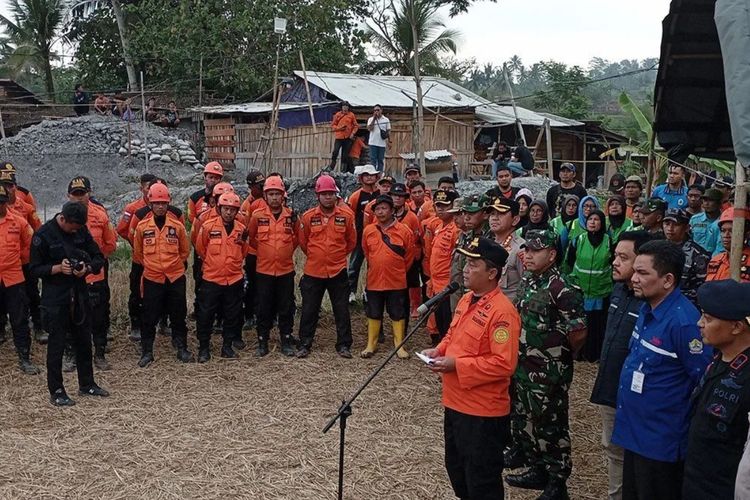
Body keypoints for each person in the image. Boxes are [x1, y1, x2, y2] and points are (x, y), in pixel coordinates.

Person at [420, 236, 521, 500]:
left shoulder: (503, 313)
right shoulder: (466, 300)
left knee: (481, 479)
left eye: (473, 264)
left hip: (482, 411)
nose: (465, 269)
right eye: (465, 262)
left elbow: (504, 364)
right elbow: (454, 335)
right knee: (457, 470)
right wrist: (439, 351)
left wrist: (457, 364)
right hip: (455, 403)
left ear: (492, 273)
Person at [611, 240, 712, 500]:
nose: (633, 278)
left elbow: (703, 381)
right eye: (635, 271)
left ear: (668, 280)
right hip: (635, 434)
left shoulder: (684, 323)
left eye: (643, 273)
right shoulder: (647, 309)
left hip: (660, 444)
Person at [506, 229, 587, 499]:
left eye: (534, 250)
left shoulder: (563, 287)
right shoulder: (530, 281)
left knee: (550, 425)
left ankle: (557, 481)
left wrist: (558, 357)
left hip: (549, 371)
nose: (527, 255)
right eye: (526, 249)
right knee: (524, 419)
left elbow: (578, 332)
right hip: (523, 365)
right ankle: (536, 467)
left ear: (551, 255)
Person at [590, 230, 653, 500]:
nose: (615, 262)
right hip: (611, 387)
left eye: (623, 257)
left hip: (635, 396)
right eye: (615, 255)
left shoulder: (650, 304)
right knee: (613, 450)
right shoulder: (618, 290)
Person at [29, 201, 109, 406]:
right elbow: (33, 270)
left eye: (78, 228)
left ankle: (87, 383)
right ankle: (56, 390)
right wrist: (57, 268)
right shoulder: (43, 235)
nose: (75, 231)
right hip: (55, 297)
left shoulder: (81, 231)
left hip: (80, 293)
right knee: (57, 345)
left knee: (84, 340)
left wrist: (87, 268)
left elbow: (99, 257)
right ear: (62, 218)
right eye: (72, 227)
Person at [680, 280, 750, 500]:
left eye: (708, 319)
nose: (699, 323)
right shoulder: (718, 359)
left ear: (737, 327)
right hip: (695, 481)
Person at [296, 175, 356, 358]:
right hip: (314, 271)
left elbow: (351, 242)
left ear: (336, 195)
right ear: (317, 196)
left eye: (330, 193)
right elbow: (303, 242)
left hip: (337, 270)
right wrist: (318, 257)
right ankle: (305, 344)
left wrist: (335, 256)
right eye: (324, 194)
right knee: (309, 310)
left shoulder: (346, 216)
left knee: (342, 309)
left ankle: (344, 345)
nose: (327, 197)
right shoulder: (307, 217)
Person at [133, 183, 192, 367]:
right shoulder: (142, 227)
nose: (160, 206)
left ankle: (181, 347)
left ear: (169, 204)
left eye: (163, 203)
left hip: (175, 277)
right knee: (148, 316)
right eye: (157, 203)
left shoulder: (177, 226)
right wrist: (154, 267)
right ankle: (147, 352)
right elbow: (138, 254)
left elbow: (184, 251)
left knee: (178, 313)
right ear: (150, 203)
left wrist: (171, 266)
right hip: (152, 278)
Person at [67, 176, 117, 370]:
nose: (79, 198)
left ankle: (100, 353)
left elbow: (110, 244)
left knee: (99, 316)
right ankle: (71, 354)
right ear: (69, 195)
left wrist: (94, 262)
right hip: (70, 277)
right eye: (75, 194)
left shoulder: (100, 215)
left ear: (90, 193)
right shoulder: (62, 218)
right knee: (70, 316)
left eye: (83, 193)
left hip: (95, 276)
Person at [246, 176, 299, 357]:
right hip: (264, 270)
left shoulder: (291, 216)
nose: (275, 197)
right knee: (263, 307)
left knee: (285, 306)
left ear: (283, 195)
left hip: (285, 270)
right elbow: (251, 238)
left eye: (278, 194)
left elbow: (298, 237)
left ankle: (285, 340)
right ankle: (263, 341)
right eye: (271, 194)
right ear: (265, 196)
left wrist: (285, 250)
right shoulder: (257, 216)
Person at [195, 192, 248, 362]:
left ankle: (227, 347)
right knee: (206, 315)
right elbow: (201, 249)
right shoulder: (208, 226)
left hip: (233, 279)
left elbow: (244, 251)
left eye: (233, 210)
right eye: (226, 209)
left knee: (232, 314)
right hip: (212, 279)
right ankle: (204, 348)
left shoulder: (241, 230)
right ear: (219, 208)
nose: (229, 213)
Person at [360, 195, 414, 359]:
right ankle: (371, 344)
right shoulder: (368, 230)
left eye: (384, 208)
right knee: (373, 312)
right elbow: (367, 253)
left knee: (397, 313)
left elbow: (409, 256)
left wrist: (396, 270)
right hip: (374, 280)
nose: (381, 212)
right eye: (377, 209)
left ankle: (399, 346)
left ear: (392, 211)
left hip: (396, 281)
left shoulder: (404, 231)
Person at [0, 184, 39, 374]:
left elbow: (28, 247)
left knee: (19, 319)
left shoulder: (19, 222)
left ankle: (24, 357)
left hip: (14, 277)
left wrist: (17, 263)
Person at [567, 210, 613, 362]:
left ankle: (593, 355)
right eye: (590, 219)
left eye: (597, 219)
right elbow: (570, 261)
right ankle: (577, 354)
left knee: (596, 325)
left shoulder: (608, 241)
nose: (593, 222)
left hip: (600, 291)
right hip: (580, 290)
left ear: (602, 223)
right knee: (580, 325)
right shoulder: (579, 239)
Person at [116, 173, 157, 341]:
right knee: (136, 292)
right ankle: (136, 325)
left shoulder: (162, 206)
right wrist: (136, 243)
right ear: (142, 188)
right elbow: (121, 229)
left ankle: (161, 322)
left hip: (157, 260)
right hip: (139, 259)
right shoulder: (133, 208)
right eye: (148, 188)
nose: (151, 191)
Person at [426, 189, 460, 344]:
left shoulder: (455, 229)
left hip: (448, 285)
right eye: (438, 205)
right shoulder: (438, 226)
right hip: (436, 284)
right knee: (439, 321)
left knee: (447, 323)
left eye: (445, 205)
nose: (440, 208)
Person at [238, 169, 267, 330]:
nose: (262, 189)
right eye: (259, 186)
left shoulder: (268, 200)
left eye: (263, 185)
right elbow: (247, 230)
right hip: (252, 252)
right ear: (251, 187)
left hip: (266, 252)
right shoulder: (247, 205)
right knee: (251, 285)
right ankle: (249, 315)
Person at [346, 164, 380, 303]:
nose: (369, 177)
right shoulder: (355, 196)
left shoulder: (381, 194)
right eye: (366, 175)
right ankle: (351, 292)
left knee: (373, 266)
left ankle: (369, 291)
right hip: (360, 236)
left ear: (376, 176)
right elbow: (349, 216)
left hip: (378, 237)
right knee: (354, 265)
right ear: (361, 178)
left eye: (372, 175)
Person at [662, 208, 709, 306]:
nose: (670, 228)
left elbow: (703, 286)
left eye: (676, 224)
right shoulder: (658, 248)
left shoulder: (698, 254)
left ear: (687, 227)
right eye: (667, 224)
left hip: (685, 304)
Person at [389, 183, 422, 318]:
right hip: (390, 254)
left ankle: (414, 305)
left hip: (408, 254)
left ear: (405, 198)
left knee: (413, 280)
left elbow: (417, 236)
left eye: (400, 196)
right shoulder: (384, 214)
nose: (397, 198)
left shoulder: (412, 217)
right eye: (395, 196)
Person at [486, 196, 524, 302]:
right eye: (492, 214)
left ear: (515, 220)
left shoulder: (520, 249)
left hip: (508, 310)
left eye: (501, 214)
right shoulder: (488, 244)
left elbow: (527, 286)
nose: (494, 218)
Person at [706, 207, 750, 282]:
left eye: (732, 231)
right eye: (723, 231)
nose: (726, 235)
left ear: (746, 233)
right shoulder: (715, 261)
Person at [689, 188, 722, 254]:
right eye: (705, 200)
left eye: (711, 200)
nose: (706, 203)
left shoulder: (723, 222)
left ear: (719, 203)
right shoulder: (695, 219)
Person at [330, 101, 358, 173]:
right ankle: (332, 166)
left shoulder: (351, 115)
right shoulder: (337, 115)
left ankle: (343, 170)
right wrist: (339, 128)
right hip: (339, 137)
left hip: (347, 138)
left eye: (346, 106)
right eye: (344, 106)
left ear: (348, 107)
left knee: (345, 154)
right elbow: (333, 125)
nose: (345, 108)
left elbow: (356, 126)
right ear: (342, 107)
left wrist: (352, 133)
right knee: (335, 151)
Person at [366, 104, 390, 172]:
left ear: (381, 110)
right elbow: (370, 128)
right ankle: (373, 173)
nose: (376, 111)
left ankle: (379, 173)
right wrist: (374, 118)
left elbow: (388, 131)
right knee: (373, 159)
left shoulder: (386, 119)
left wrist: (389, 141)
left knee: (380, 159)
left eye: (378, 110)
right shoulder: (370, 119)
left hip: (382, 143)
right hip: (373, 143)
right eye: (375, 110)